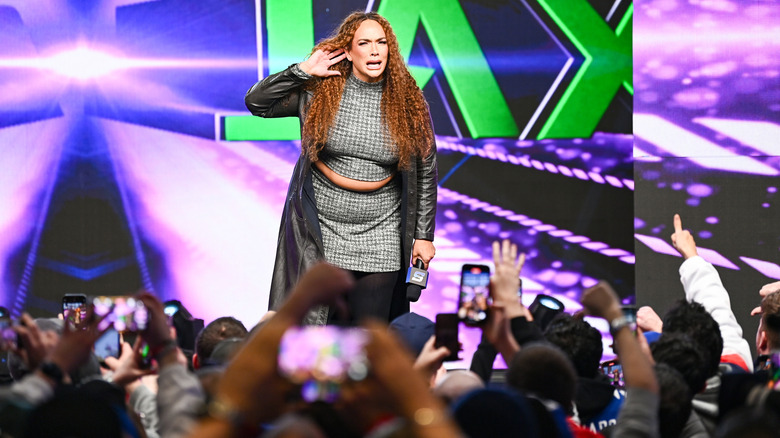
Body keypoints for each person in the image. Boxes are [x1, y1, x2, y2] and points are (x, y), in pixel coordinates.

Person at [245, 11, 438, 325]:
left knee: (367, 341)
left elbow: (426, 169)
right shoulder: (319, 91)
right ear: (348, 51)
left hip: (382, 235)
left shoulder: (408, 102)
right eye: (364, 43)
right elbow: (257, 102)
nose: (375, 51)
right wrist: (301, 71)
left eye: (381, 42)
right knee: (317, 340)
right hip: (321, 234)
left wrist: (423, 235)